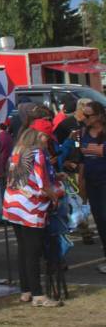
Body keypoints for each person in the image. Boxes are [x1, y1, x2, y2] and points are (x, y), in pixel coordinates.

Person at [4, 124, 64, 306]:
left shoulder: (17, 150)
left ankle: (26, 290)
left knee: (23, 250)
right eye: (47, 137)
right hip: (31, 208)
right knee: (33, 251)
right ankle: (38, 295)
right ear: (39, 136)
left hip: (12, 204)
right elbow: (42, 183)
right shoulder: (37, 153)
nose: (48, 142)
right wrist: (55, 197)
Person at [78, 101, 106, 271]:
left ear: (99, 116)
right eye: (83, 115)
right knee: (100, 222)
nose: (85, 119)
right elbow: (81, 158)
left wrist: (98, 150)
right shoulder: (83, 132)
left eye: (88, 116)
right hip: (92, 183)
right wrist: (81, 183)